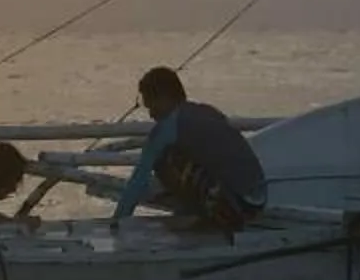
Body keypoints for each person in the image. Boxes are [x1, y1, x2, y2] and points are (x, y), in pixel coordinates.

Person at [113, 66, 268, 233]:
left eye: (152, 106)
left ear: (165, 98)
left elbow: (139, 179)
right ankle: (203, 209)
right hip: (258, 200)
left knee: (164, 160)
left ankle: (213, 216)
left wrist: (116, 222)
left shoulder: (167, 128)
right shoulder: (208, 111)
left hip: (237, 204)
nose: (151, 114)